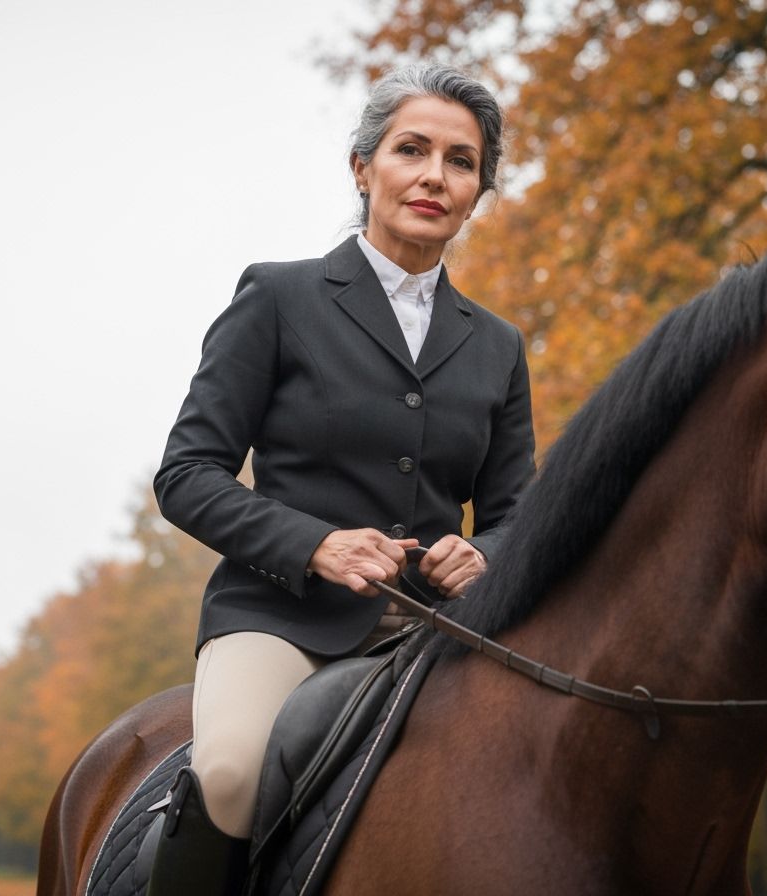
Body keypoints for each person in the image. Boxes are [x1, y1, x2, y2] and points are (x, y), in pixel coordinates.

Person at [148, 62, 536, 895]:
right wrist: (314, 545)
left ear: (477, 192)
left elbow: (512, 514)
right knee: (231, 774)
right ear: (364, 170)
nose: (436, 175)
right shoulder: (280, 297)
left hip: (439, 629)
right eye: (413, 150)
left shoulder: (499, 346)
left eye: (461, 162)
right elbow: (186, 474)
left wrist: (486, 555)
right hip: (280, 617)